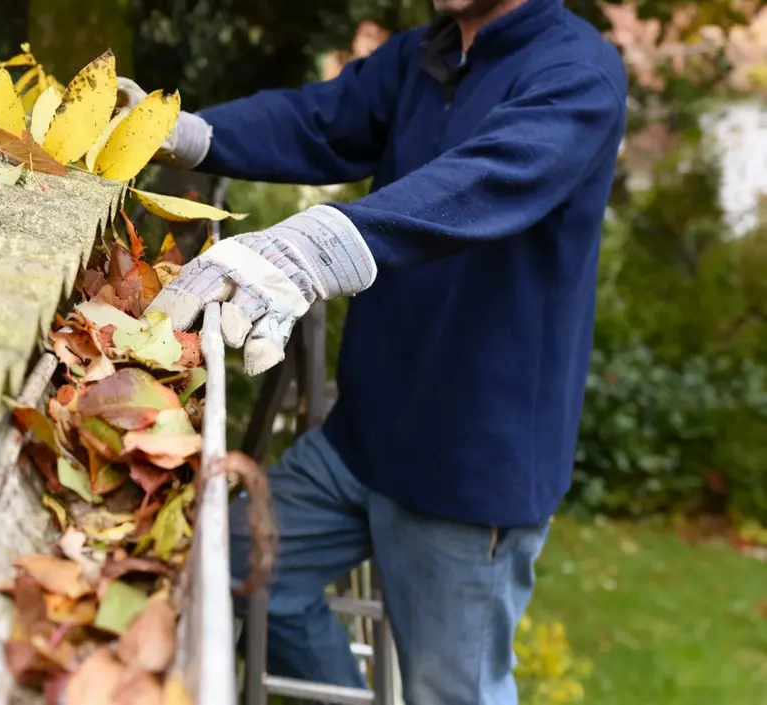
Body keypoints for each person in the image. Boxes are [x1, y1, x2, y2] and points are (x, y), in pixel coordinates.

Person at [123, 0, 629, 702]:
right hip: (360, 441)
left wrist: (319, 244)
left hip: (467, 471)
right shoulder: (426, 55)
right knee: (238, 560)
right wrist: (187, 133)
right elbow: (318, 121)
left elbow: (487, 179)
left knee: (450, 691)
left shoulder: (577, 74)